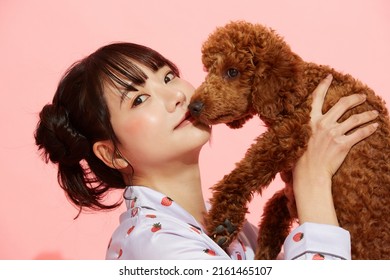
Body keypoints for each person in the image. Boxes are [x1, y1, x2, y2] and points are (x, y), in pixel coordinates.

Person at [34, 42, 378, 260]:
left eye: (168, 77)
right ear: (111, 155)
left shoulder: (224, 226)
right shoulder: (155, 249)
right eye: (139, 99)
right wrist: (313, 180)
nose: (178, 96)